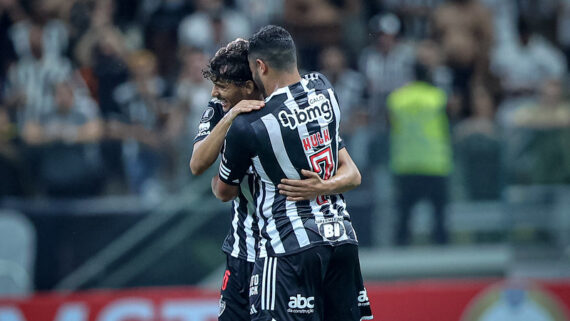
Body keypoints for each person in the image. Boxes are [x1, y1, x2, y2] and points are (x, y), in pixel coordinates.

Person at [192, 38, 368, 321]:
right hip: (246, 247)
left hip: (284, 248)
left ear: (250, 84)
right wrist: (232, 115)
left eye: (223, 86)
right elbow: (197, 163)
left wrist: (321, 186)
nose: (215, 93)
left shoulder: (291, 112)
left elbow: (352, 172)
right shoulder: (221, 108)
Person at [387, 62, 452, 246]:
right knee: (439, 217)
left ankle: (399, 259)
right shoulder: (437, 97)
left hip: (405, 163)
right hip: (435, 163)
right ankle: (444, 256)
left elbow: (389, 123)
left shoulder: (397, 99)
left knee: (403, 216)